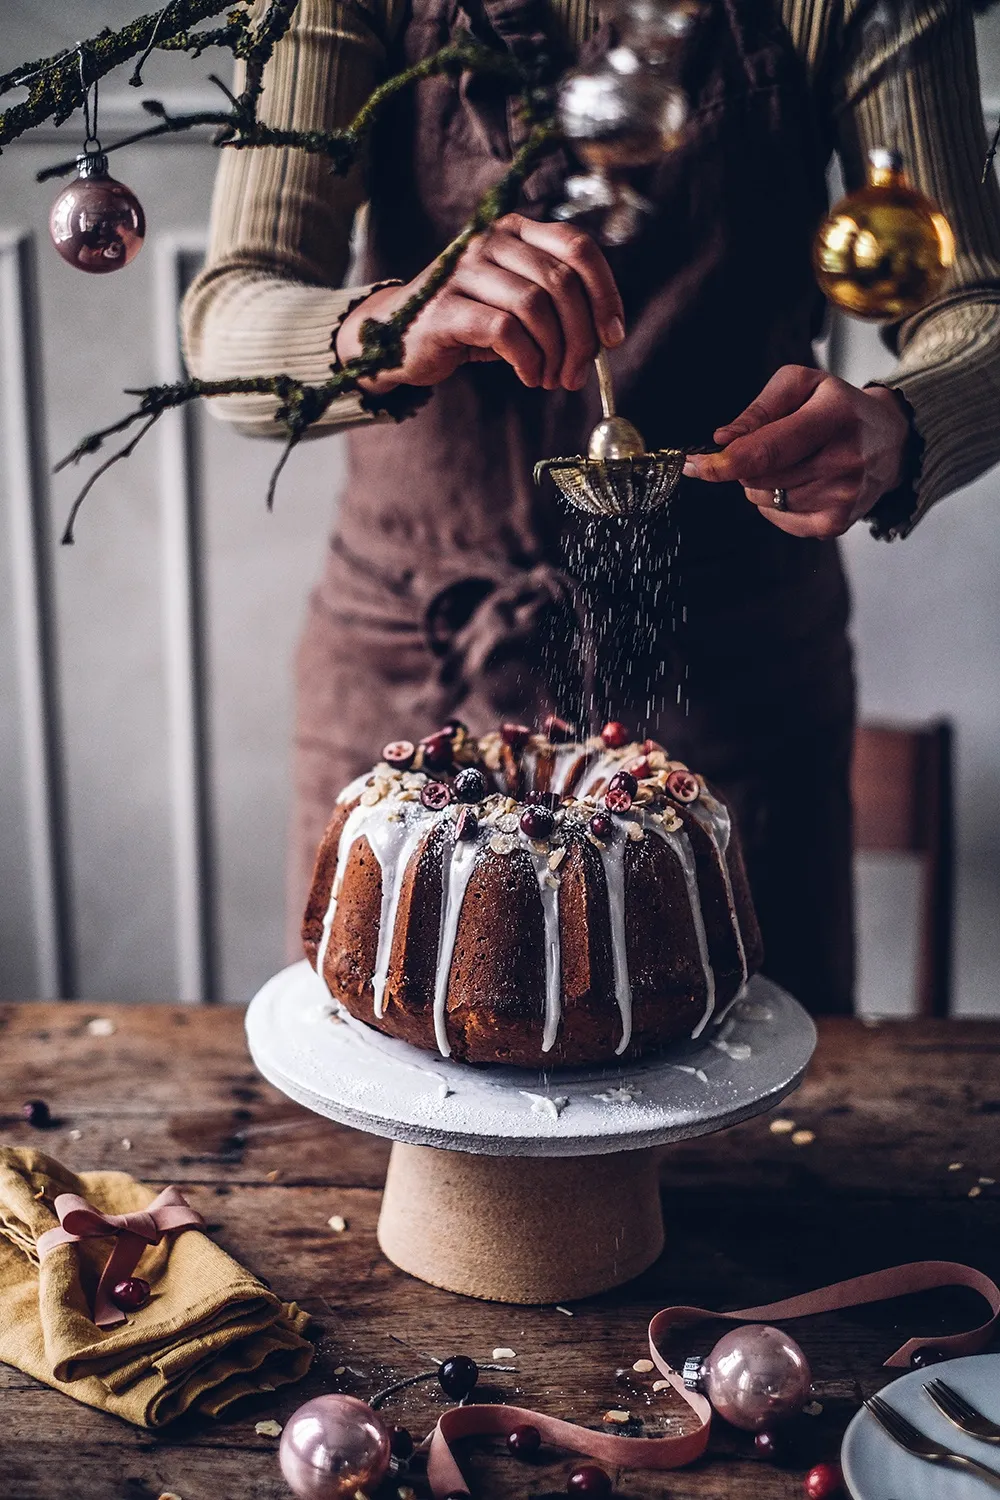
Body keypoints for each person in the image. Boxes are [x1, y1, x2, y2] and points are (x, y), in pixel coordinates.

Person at [181, 0, 1000, 1015]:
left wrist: (901, 424)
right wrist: (394, 322)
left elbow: (976, 307)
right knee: (393, 1059)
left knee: (738, 1074)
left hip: (727, 675)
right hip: (410, 661)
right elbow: (228, 321)